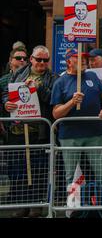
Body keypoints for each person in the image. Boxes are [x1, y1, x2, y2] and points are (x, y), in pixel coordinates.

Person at [51, 48, 102, 215]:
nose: (84, 60)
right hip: (70, 136)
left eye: (85, 58)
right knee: (71, 174)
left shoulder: (92, 76)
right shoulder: (60, 82)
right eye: (79, 58)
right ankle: (73, 209)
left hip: (94, 133)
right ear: (69, 61)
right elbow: (56, 113)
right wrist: (72, 102)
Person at [3, 45, 58, 218]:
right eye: (38, 59)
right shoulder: (18, 74)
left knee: (39, 170)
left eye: (45, 60)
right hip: (18, 131)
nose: (42, 63)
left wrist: (38, 88)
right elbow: (6, 92)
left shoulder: (53, 78)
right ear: (31, 59)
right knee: (18, 170)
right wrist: (6, 103)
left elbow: (52, 99)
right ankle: (22, 205)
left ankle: (37, 205)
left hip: (39, 132)